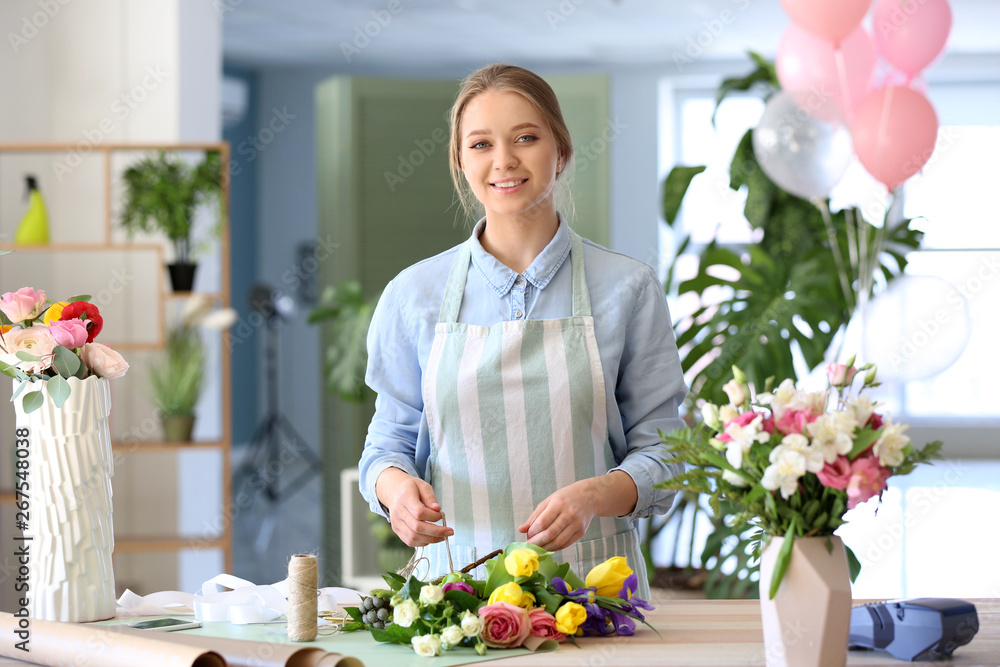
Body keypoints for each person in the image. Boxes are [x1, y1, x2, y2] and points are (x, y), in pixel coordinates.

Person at [359, 63, 686, 596]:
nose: (504, 161)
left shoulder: (627, 289)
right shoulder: (413, 296)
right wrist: (395, 491)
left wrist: (594, 497)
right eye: (481, 144)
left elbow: (668, 450)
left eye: (525, 138)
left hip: (595, 596)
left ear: (560, 152)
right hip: (453, 605)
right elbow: (386, 445)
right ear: (461, 161)